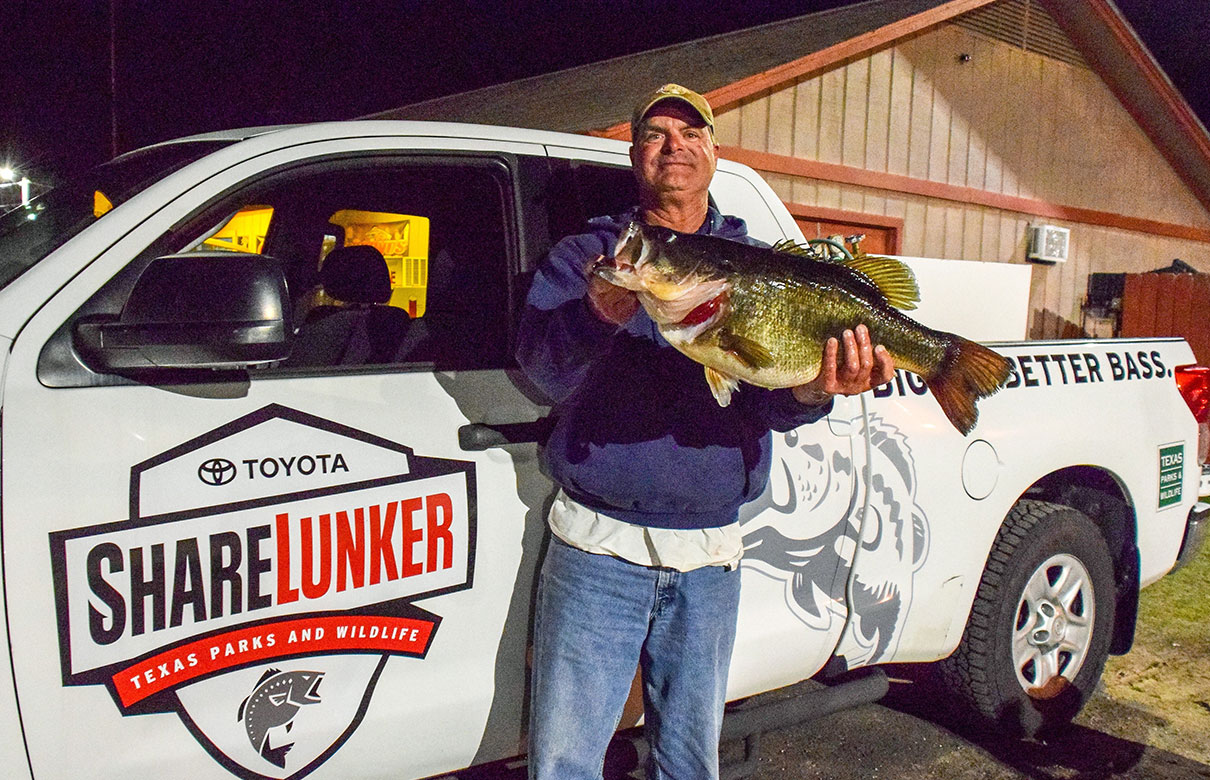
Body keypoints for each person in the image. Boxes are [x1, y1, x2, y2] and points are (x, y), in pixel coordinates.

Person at [516, 83, 895, 780]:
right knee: (565, 762)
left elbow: (772, 404)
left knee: (691, 763)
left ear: (713, 153)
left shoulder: (756, 266)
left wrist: (818, 386)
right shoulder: (593, 255)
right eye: (656, 134)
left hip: (712, 555)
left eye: (691, 133)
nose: (674, 146)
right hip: (598, 548)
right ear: (635, 156)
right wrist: (597, 314)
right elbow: (542, 370)